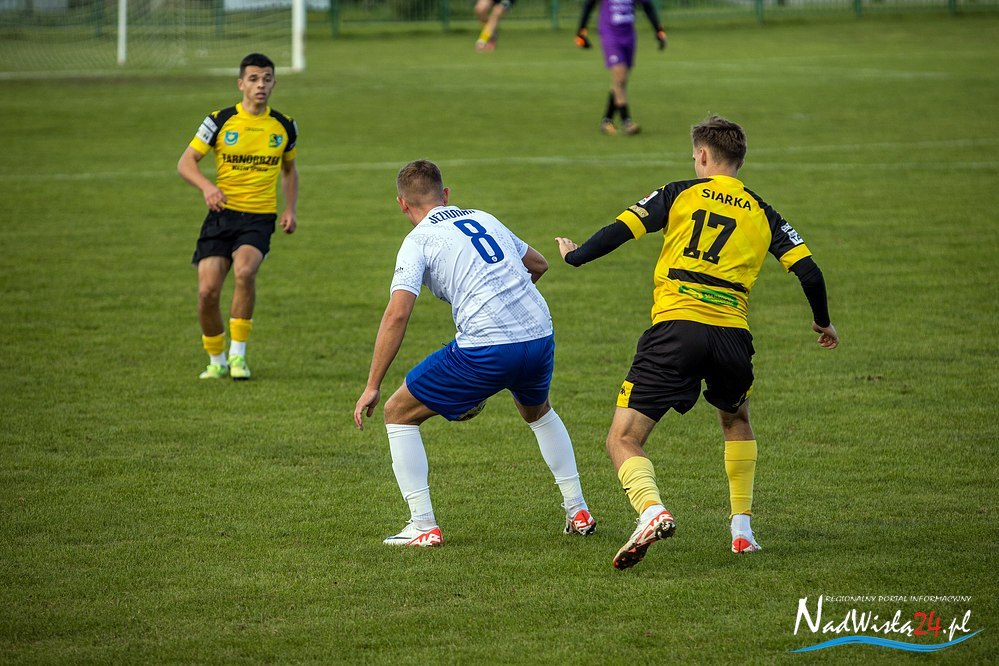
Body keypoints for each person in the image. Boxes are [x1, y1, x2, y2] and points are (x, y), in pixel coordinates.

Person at [555, 115, 839, 569]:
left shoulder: (678, 193)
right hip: (732, 337)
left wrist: (576, 256)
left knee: (623, 438)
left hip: (676, 331)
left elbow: (620, 230)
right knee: (736, 419)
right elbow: (810, 272)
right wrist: (823, 322)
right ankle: (742, 532)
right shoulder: (765, 212)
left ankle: (652, 510)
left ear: (703, 156)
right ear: (739, 159)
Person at [354, 159, 596, 547]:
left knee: (397, 412)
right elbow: (539, 264)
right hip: (539, 334)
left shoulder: (418, 240)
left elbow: (397, 313)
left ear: (402, 204)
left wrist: (372, 385)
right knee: (538, 412)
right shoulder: (483, 217)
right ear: (446, 195)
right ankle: (578, 509)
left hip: (487, 347)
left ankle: (423, 526)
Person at [177, 53, 299, 381]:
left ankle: (238, 356)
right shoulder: (219, 120)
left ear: (274, 83)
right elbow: (185, 162)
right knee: (207, 292)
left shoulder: (285, 125)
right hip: (221, 215)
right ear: (241, 84)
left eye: (267, 79)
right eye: (254, 79)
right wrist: (207, 187)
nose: (261, 85)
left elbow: (289, 170)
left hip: (259, 217)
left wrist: (290, 208)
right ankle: (216, 359)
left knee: (245, 271)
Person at [575, 0, 666, 135]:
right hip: (610, 34)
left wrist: (658, 31)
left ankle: (607, 121)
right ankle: (627, 122)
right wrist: (581, 31)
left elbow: (647, 6)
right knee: (620, 76)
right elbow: (589, 5)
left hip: (628, 36)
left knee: (620, 81)